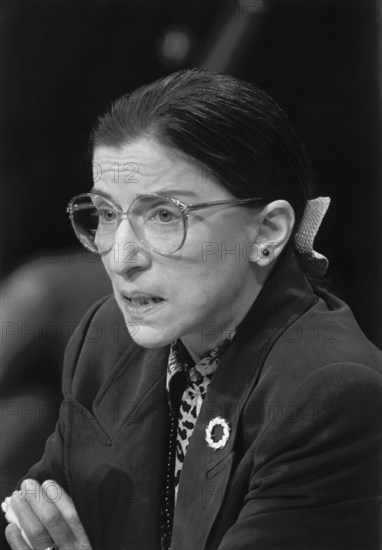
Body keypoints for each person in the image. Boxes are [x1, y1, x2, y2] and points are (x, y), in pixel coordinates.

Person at [3, 69, 382, 550]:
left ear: (266, 233)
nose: (121, 258)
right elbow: (35, 524)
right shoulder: (104, 336)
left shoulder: (330, 395)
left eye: (163, 215)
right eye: (105, 214)